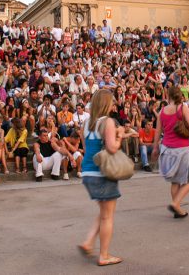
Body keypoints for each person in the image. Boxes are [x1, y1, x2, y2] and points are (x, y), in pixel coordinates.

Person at [77, 89, 124, 266]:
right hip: (102, 173)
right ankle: (104, 255)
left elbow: (87, 144)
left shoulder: (88, 121)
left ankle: (88, 242)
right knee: (108, 216)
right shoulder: (108, 122)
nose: (114, 105)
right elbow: (112, 148)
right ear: (106, 103)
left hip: (88, 171)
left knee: (105, 212)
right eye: (112, 102)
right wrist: (119, 136)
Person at [152, 86, 189, 219]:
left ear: (168, 96)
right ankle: (176, 204)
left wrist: (155, 147)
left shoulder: (162, 111)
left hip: (167, 149)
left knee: (175, 181)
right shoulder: (182, 107)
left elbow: (157, 131)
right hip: (182, 149)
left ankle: (177, 210)